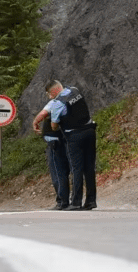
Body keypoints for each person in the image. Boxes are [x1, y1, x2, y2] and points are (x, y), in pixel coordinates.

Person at [43, 79, 97, 211]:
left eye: (50, 94)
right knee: (89, 168)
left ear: (55, 91)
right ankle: (91, 201)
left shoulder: (58, 103)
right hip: (90, 131)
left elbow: (54, 126)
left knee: (76, 168)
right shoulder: (75, 90)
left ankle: (76, 202)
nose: (50, 97)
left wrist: (57, 125)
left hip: (74, 136)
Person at [31, 95, 71, 210]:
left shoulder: (55, 103)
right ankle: (69, 200)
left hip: (55, 142)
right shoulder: (71, 105)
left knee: (58, 173)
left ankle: (62, 202)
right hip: (66, 141)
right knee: (65, 171)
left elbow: (43, 114)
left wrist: (35, 122)